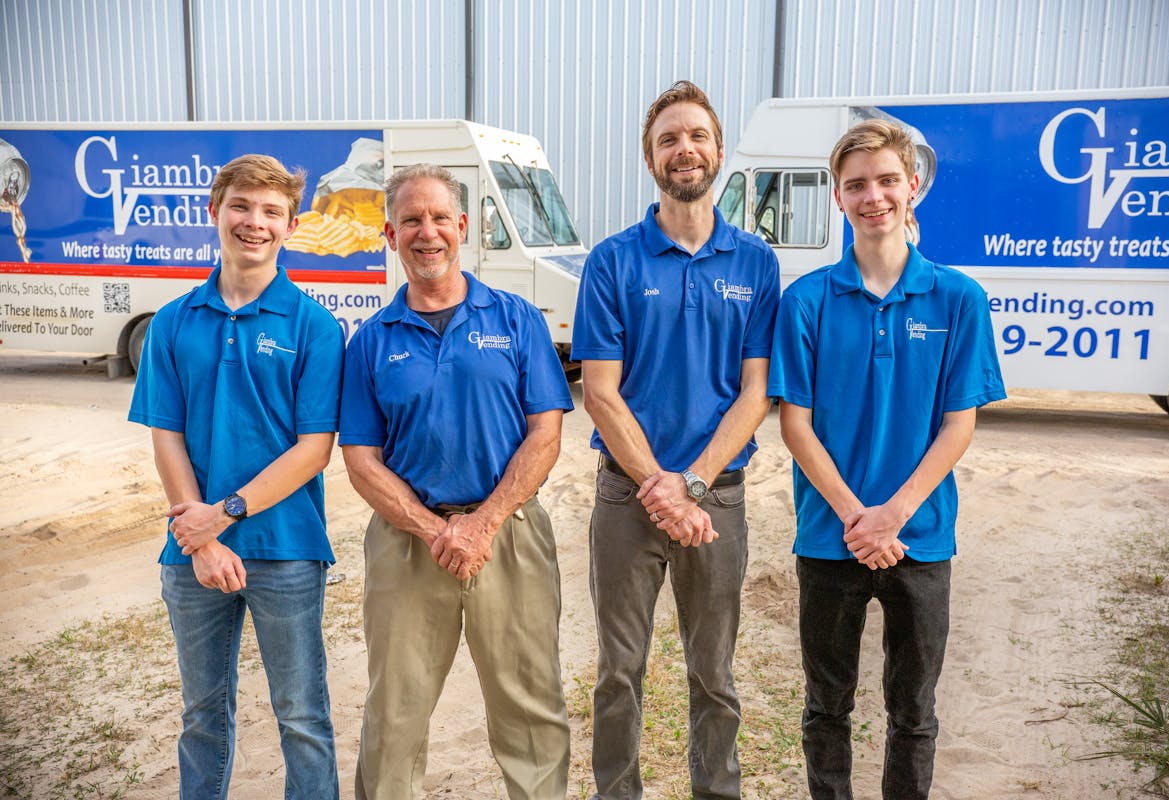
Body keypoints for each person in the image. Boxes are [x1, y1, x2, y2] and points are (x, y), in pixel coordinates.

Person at [768, 119, 1007, 799]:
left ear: (914, 187)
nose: (873, 196)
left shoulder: (959, 298)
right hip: (829, 538)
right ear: (838, 198)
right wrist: (855, 517)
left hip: (922, 539)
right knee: (826, 708)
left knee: (914, 714)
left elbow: (959, 426)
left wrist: (892, 516)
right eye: (856, 185)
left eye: (886, 181)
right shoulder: (807, 300)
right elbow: (795, 424)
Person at [571, 81, 781, 800]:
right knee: (618, 672)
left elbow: (756, 393)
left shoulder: (755, 264)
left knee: (714, 674)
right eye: (668, 138)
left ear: (718, 152)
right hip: (625, 500)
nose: (683, 148)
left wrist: (689, 483)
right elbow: (601, 392)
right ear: (650, 157)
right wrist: (661, 488)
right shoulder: (612, 261)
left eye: (696, 136)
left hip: (716, 500)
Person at [340, 163, 573, 800]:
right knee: (395, 712)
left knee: (530, 710)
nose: (427, 232)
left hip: (511, 535)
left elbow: (545, 436)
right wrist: (435, 528)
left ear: (463, 227)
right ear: (390, 234)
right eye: (411, 220)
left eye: (440, 217)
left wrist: (484, 523)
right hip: (408, 541)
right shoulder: (370, 342)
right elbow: (361, 461)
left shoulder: (518, 319)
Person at [128, 154, 344, 799]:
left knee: (302, 716)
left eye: (271, 212)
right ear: (214, 213)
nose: (255, 223)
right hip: (191, 553)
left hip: (286, 551)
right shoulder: (172, 322)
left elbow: (315, 449)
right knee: (201, 716)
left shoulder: (314, 326)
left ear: (291, 225)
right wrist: (200, 537)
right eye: (242, 207)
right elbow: (165, 435)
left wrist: (221, 516)